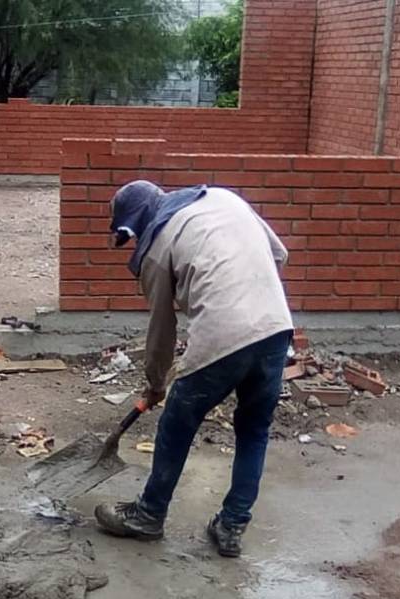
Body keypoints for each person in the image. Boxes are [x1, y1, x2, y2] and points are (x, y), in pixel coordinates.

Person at [94, 180, 293, 557]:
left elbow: (161, 329)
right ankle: (232, 525)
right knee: (254, 430)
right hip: (275, 326)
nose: (135, 242)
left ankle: (149, 515)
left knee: (177, 423)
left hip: (223, 332)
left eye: (131, 235)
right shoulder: (222, 197)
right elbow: (278, 254)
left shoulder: (157, 248)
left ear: (137, 222)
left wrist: (155, 383)